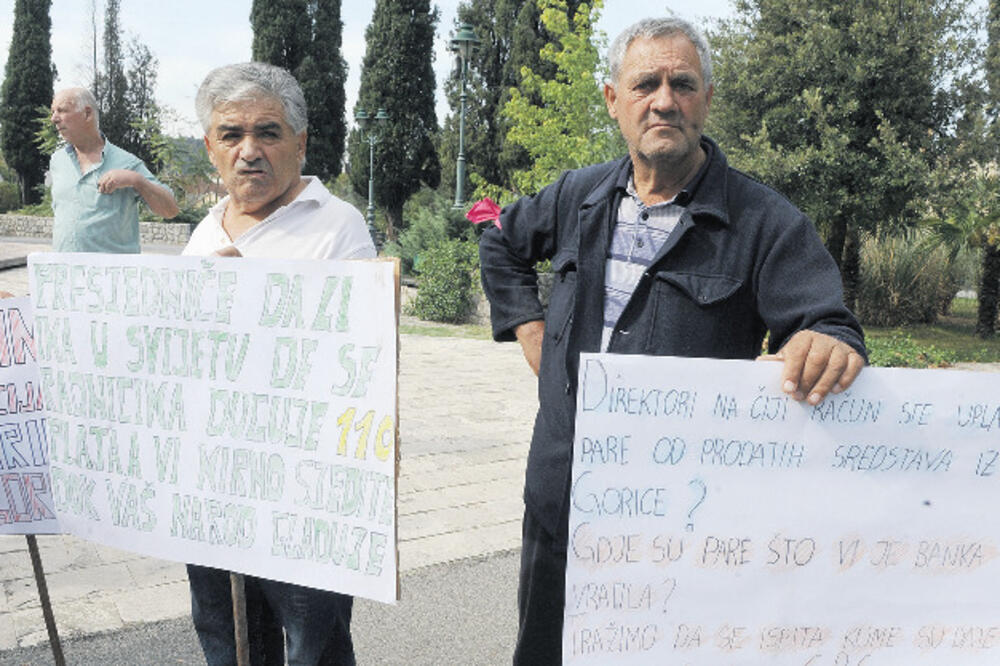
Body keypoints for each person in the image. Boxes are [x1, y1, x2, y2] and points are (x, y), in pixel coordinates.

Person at [478, 16, 867, 664]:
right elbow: (499, 239)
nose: (664, 100)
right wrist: (528, 325)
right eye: (646, 84)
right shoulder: (578, 195)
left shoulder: (764, 222)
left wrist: (825, 341)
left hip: (683, 530)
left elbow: (826, 322)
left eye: (682, 84)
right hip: (560, 507)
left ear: (707, 99)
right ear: (614, 100)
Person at [183, 62, 375, 665]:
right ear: (211, 147)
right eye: (231, 134)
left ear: (300, 142)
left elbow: (357, 360)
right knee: (226, 640)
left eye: (267, 132)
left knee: (312, 646)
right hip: (210, 482)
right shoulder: (202, 231)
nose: (249, 151)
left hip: (303, 491)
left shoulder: (337, 225)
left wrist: (254, 302)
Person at [49, 87, 178, 252]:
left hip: (111, 275)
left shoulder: (128, 163)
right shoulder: (57, 161)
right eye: (53, 112)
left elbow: (170, 210)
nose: (54, 118)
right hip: (65, 272)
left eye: (61, 110)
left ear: (87, 114)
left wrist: (137, 180)